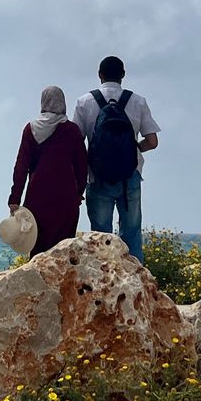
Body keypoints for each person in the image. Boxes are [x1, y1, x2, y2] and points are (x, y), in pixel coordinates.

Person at [73, 55, 160, 263]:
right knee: (131, 234)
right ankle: (137, 282)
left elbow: (76, 145)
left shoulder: (84, 102)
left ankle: (104, 281)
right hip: (130, 175)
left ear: (100, 75)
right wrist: (134, 149)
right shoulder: (138, 101)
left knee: (101, 237)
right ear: (123, 75)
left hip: (97, 176)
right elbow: (153, 141)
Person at [8, 85, 88, 255]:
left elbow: (21, 166)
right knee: (63, 249)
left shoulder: (31, 129)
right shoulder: (72, 130)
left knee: (37, 246)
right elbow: (82, 166)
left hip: (37, 197)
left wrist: (15, 199)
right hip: (65, 198)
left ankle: (37, 281)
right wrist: (79, 192)